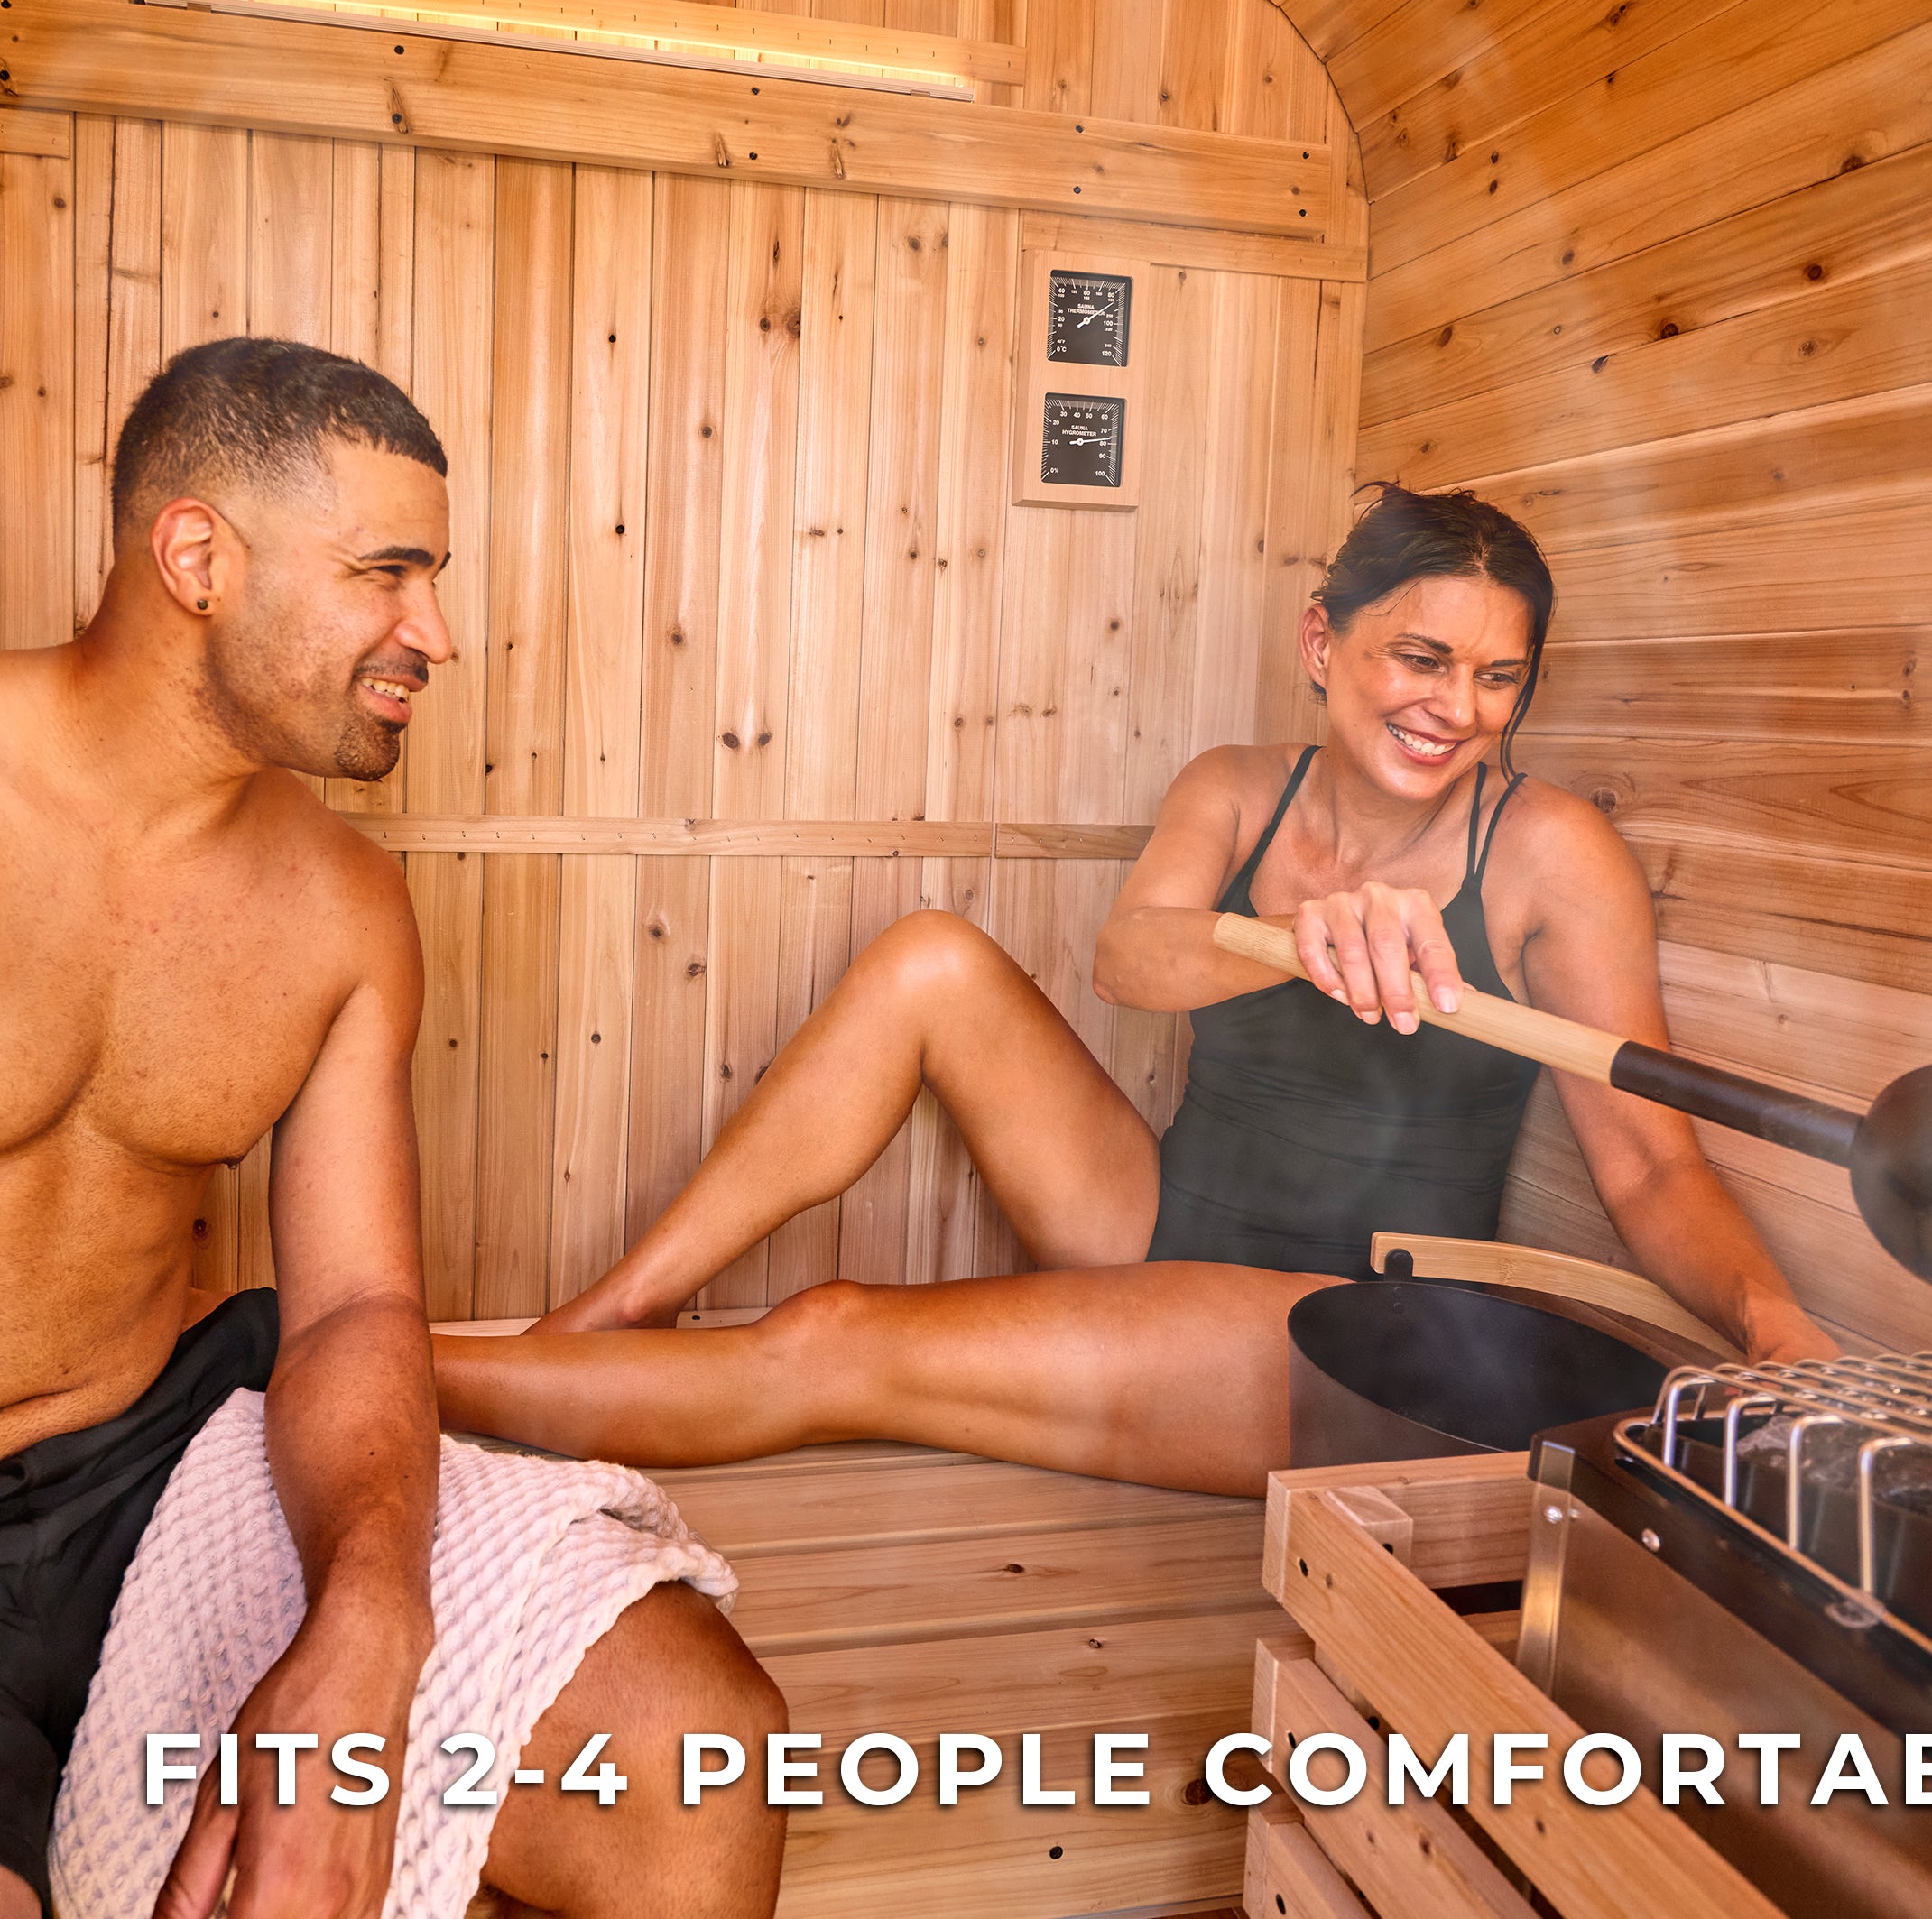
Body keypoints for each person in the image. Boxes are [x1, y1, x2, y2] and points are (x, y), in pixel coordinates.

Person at [435, 486, 1835, 1495]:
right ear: (1322, 644)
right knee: (931, 955)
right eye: (1421, 657)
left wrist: (1767, 1320)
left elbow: (1649, 1166)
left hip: (1334, 1325)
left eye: (1495, 678)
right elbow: (1132, 955)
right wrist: (1300, 933)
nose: (1454, 706)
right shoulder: (1237, 788)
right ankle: (608, 1320)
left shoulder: (1546, 856)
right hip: (1161, 1220)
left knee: (830, 1334)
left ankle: (372, 1371)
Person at [0, 341, 783, 1919]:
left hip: (145, 1461)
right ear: (199, 558)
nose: (433, 631)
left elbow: (357, 1304)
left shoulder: (343, 908)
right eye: (387, 574)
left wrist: (368, 1626)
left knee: (699, 1745)